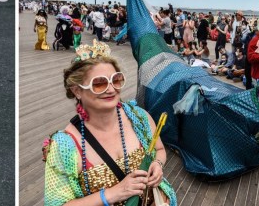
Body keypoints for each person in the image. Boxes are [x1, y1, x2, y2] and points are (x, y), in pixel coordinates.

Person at [43, 40, 177, 206]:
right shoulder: (64, 145)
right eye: (99, 83)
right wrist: (113, 193)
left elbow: (159, 149)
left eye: (116, 79)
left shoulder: (139, 118)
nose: (111, 89)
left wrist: (157, 164)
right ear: (77, 90)